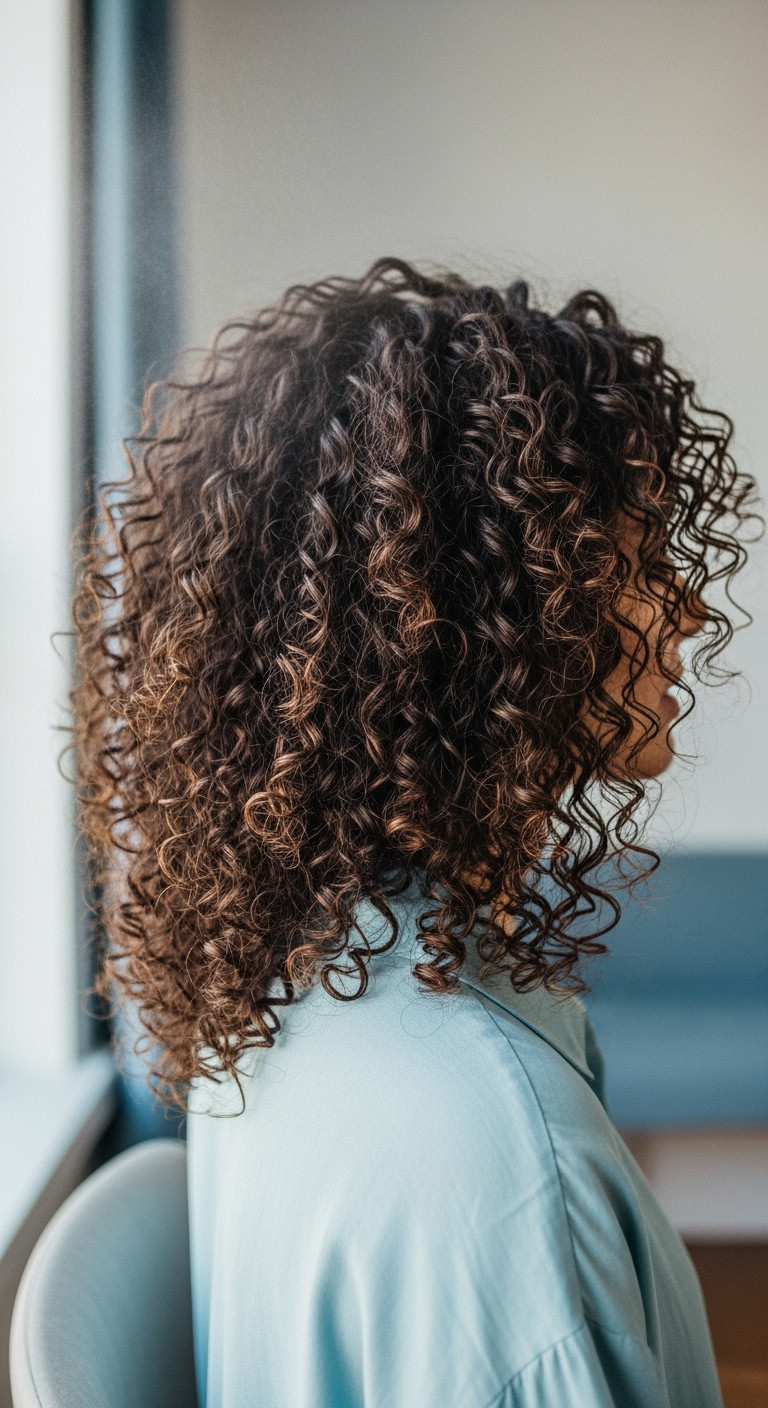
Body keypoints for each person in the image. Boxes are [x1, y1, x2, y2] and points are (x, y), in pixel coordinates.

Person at [72, 258, 757, 1407]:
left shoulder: (294, 985)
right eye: (634, 560)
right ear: (480, 619)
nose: (690, 609)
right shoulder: (508, 1168)